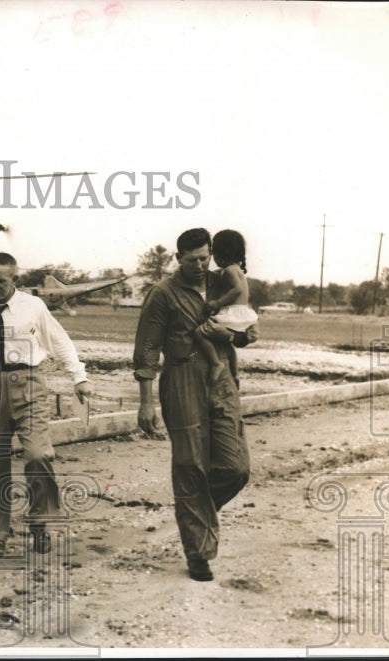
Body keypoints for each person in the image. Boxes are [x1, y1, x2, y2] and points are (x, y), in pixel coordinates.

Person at [133, 227, 257, 582]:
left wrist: (229, 336)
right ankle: (198, 553)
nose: (201, 265)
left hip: (222, 381)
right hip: (182, 379)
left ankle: (198, 514)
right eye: (192, 260)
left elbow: (248, 331)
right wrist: (146, 403)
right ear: (178, 258)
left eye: (205, 257)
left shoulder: (225, 282)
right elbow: (146, 348)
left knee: (236, 468)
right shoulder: (163, 294)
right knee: (189, 466)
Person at [0, 252, 93, 557]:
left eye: (1, 281)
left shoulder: (33, 307)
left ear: (16, 279)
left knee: (38, 454)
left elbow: (60, 341)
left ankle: (39, 521)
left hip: (28, 384)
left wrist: (78, 377)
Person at [192, 229, 258, 385]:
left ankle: (215, 363)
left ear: (220, 254)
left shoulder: (229, 270)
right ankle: (235, 373)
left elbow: (237, 290)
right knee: (227, 345)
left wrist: (217, 303)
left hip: (233, 313)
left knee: (199, 333)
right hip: (242, 313)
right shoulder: (237, 268)